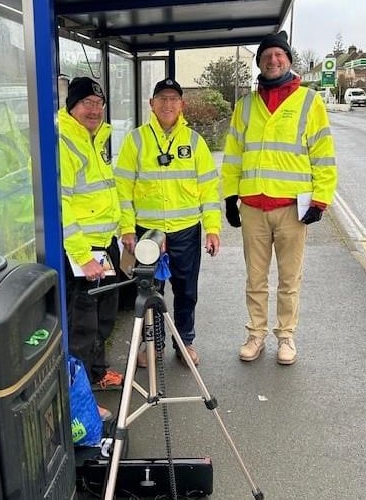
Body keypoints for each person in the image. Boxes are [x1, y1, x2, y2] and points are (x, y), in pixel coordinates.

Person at [222, 31, 338, 365]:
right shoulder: (245, 105)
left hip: (292, 209)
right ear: (259, 62)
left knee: (289, 280)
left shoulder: (308, 101)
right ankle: (255, 334)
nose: (273, 60)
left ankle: (286, 336)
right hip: (255, 208)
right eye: (267, 56)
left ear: (288, 60)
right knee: (255, 279)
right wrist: (231, 197)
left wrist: (320, 200)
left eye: (279, 55)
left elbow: (324, 155)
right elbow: (233, 155)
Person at [115, 77, 221, 367]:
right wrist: (126, 228)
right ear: (151, 103)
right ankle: (154, 346)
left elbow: (209, 190)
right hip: (147, 231)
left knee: (187, 290)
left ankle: (185, 342)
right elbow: (122, 189)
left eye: (174, 98)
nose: (168, 104)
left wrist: (212, 228)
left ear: (182, 104)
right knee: (150, 291)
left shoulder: (195, 142)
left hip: (185, 231)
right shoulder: (136, 140)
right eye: (162, 98)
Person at [58, 77, 123, 420]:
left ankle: (97, 374)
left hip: (104, 245)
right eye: (87, 104)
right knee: (81, 326)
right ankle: (78, 398)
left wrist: (120, 233)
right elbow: (61, 204)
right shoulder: (64, 141)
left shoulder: (94, 139)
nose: (95, 110)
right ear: (72, 106)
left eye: (99, 104)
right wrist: (83, 255)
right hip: (81, 252)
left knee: (103, 316)